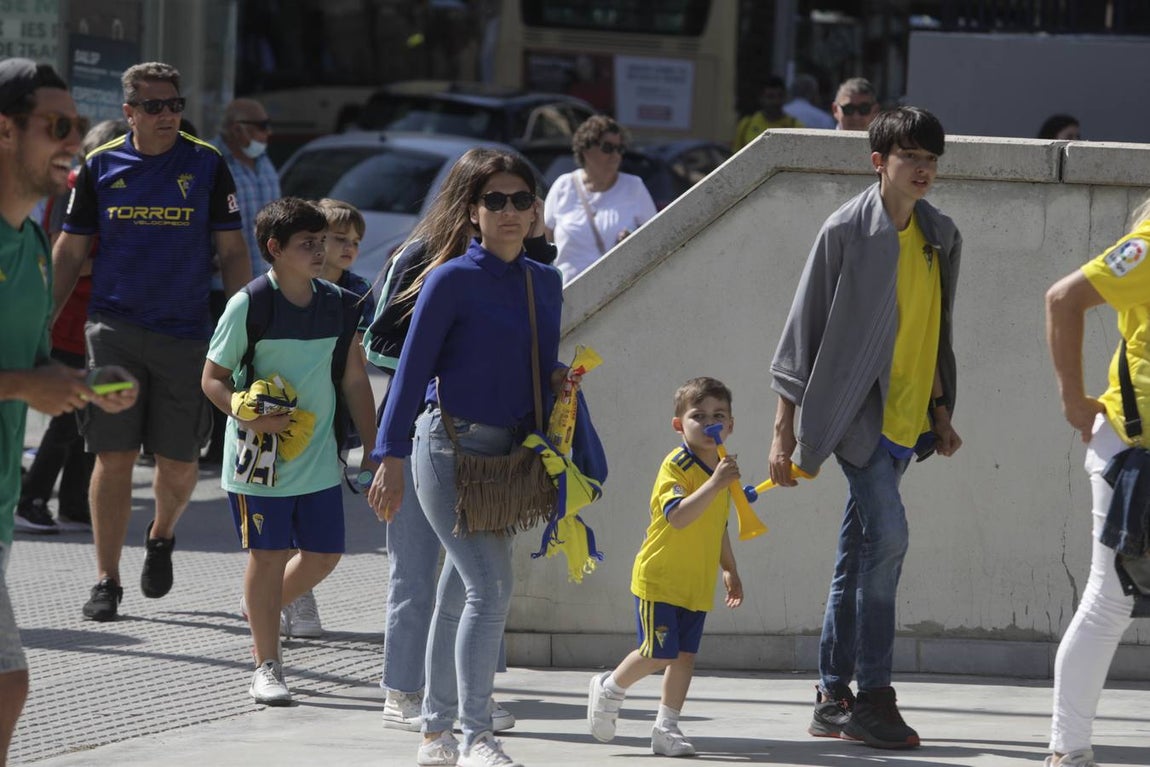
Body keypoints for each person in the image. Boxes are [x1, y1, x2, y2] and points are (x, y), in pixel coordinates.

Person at [768, 106, 962, 750]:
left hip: (909, 423)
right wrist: (782, 433)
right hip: (858, 418)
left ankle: (831, 695)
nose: (923, 168)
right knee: (891, 544)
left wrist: (941, 413)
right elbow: (802, 331)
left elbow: (935, 330)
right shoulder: (846, 230)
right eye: (910, 157)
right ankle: (875, 697)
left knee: (857, 556)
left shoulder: (940, 235)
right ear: (878, 162)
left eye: (931, 158)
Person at [367, 150, 564, 767]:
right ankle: (477, 732)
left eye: (521, 200)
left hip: (506, 460)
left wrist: (559, 385)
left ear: (536, 211)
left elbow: (534, 366)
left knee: (459, 596)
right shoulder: (450, 277)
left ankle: (435, 733)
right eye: (495, 201)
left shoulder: (544, 282)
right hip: (444, 449)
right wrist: (389, 454)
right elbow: (410, 374)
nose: (510, 211)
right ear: (473, 212)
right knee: (490, 585)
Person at [52, 61, 252, 622]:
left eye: (174, 104)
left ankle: (161, 535)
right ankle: (106, 580)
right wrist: (43, 316)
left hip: (187, 333)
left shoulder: (207, 164)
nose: (167, 114)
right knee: (112, 455)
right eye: (154, 106)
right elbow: (70, 248)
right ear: (129, 112)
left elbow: (233, 252)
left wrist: (245, 328)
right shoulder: (99, 166)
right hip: (113, 329)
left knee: (180, 462)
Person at [0, 57, 137, 767]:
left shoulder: (27, 242)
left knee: (7, 687)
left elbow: (27, 367)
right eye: (58, 127)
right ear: (3, 131)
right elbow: (18, 377)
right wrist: (26, 385)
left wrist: (79, 381)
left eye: (78, 127)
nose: (74, 142)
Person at [201, 196, 379, 705]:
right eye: (308, 244)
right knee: (269, 555)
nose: (320, 252)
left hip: (319, 457)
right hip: (259, 461)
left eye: (322, 242)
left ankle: (258, 607)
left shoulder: (341, 305)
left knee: (324, 555)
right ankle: (267, 665)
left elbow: (353, 378)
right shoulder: (250, 303)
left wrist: (371, 446)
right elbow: (212, 378)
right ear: (274, 249)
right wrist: (244, 410)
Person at [1042, 203, 1150, 767]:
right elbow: (1063, 298)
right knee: (1109, 601)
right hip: (1135, 455)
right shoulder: (1149, 244)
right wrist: (1073, 401)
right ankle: (1068, 748)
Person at [587, 377, 744, 758]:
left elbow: (717, 524)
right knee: (659, 652)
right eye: (698, 416)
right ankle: (609, 688)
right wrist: (716, 484)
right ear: (679, 425)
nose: (710, 423)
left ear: (730, 425)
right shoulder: (675, 466)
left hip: (695, 582)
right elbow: (679, 517)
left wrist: (729, 568)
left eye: (718, 416)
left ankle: (666, 727)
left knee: (684, 657)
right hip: (659, 577)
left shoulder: (720, 469)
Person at [15, 119, 126, 535]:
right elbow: (67, 257)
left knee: (91, 413)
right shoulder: (77, 187)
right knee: (68, 415)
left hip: (96, 318)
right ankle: (32, 499)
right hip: (70, 318)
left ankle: (75, 505)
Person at [203, 98, 282, 466]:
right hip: (222, 287)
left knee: (251, 368)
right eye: (261, 124)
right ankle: (215, 442)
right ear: (238, 128)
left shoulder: (265, 164)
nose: (268, 133)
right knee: (219, 366)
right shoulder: (215, 163)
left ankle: (237, 436)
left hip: (263, 284)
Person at [543, 114, 656, 285]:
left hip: (616, 295)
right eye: (608, 147)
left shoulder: (634, 187)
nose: (615, 155)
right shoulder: (563, 186)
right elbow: (543, 242)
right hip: (567, 297)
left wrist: (633, 242)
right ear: (586, 149)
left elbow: (656, 239)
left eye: (620, 149)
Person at [731, 75, 804, 151]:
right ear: (761, 98)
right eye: (770, 97)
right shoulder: (747, 124)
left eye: (780, 96)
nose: (776, 101)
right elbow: (735, 155)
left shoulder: (795, 127)